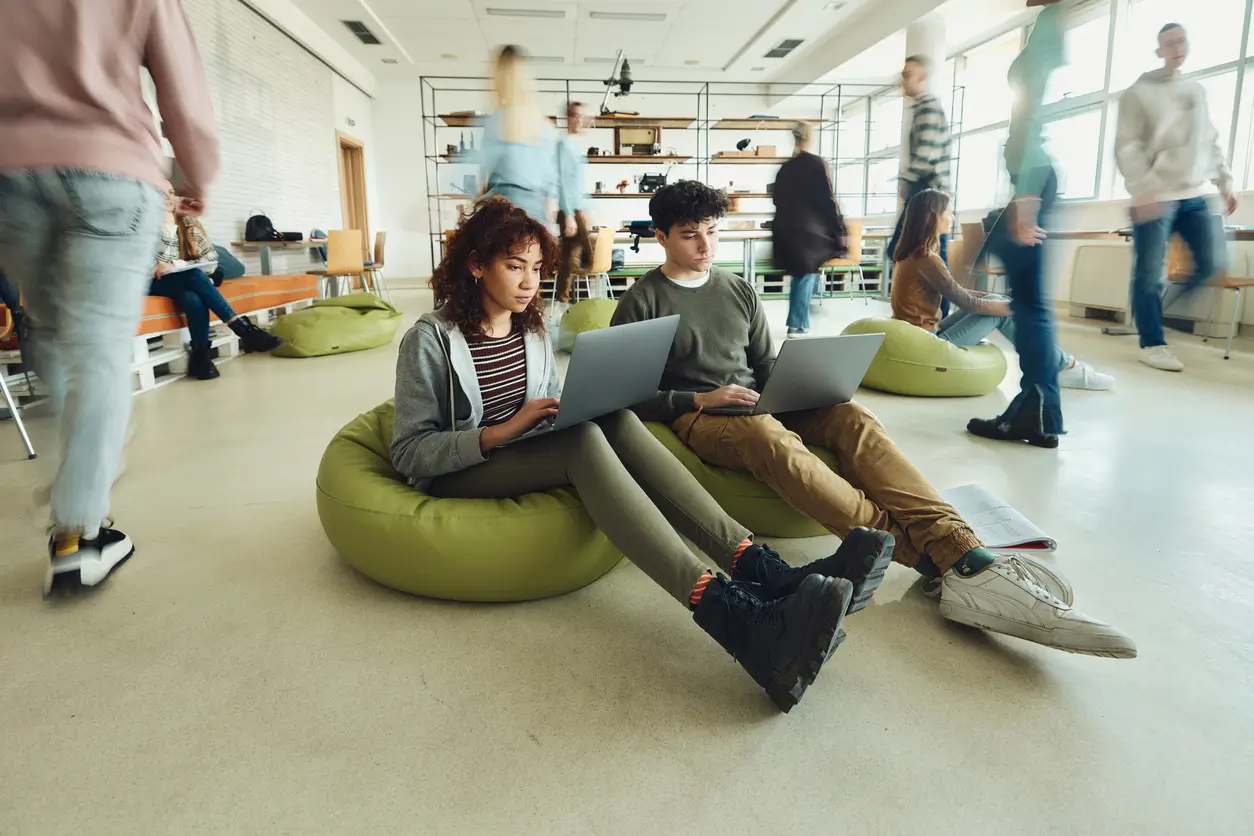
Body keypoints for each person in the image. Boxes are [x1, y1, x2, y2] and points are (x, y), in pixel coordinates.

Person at [391, 197, 901, 712]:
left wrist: (570, 404)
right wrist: (499, 433)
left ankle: (758, 566)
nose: (529, 282)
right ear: (476, 266)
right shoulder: (430, 340)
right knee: (584, 441)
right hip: (464, 467)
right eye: (514, 266)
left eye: (537, 268)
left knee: (614, 417)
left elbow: (543, 398)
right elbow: (410, 451)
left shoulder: (531, 327)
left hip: (521, 445)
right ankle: (730, 616)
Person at [609, 180, 1135, 659]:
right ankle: (927, 559)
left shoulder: (737, 289)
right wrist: (695, 401)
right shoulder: (643, 300)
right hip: (704, 416)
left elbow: (766, 367)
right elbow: (626, 393)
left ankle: (961, 549)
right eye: (689, 236)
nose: (705, 247)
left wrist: (807, 381)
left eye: (712, 233)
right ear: (661, 237)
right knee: (768, 435)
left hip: (758, 397)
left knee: (851, 416)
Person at [0, 0, 220, 593]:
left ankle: (80, 468)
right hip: (111, 170)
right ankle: (78, 533)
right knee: (95, 349)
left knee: (52, 336)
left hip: (8, 179)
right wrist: (195, 177)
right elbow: (184, 96)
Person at [966, 0, 1069, 449]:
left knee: (1030, 308)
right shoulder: (1047, 26)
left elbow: (1031, 117)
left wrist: (1025, 194)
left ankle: (1035, 412)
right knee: (1031, 306)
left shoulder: (1047, 27)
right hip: (1033, 181)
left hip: (1034, 181)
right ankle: (1037, 413)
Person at [892, 189, 1114, 390]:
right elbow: (968, 304)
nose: (952, 218)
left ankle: (1058, 363)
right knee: (1004, 314)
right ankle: (1061, 366)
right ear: (932, 216)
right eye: (948, 213)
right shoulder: (927, 258)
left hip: (920, 335)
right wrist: (1014, 307)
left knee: (995, 299)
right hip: (929, 342)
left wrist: (1001, 301)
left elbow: (956, 290)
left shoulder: (914, 253)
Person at [1115, 23, 1237, 373]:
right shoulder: (1137, 93)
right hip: (1156, 195)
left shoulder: (1196, 90)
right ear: (1159, 50)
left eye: (1181, 40)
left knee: (1211, 262)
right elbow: (1127, 144)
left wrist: (1224, 180)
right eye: (1169, 43)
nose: (1177, 47)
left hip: (1196, 193)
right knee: (1149, 273)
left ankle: (1152, 311)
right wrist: (1142, 190)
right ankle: (1152, 342)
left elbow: (1209, 140)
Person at [150, 191, 282, 380]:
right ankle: (242, 328)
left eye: (171, 192)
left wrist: (177, 265)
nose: (167, 197)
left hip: (184, 281)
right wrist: (168, 227)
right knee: (194, 276)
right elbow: (157, 269)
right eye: (160, 193)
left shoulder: (189, 223)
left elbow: (211, 259)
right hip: (151, 282)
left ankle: (201, 357)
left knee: (192, 297)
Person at [887, 54, 953, 317]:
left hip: (928, 191)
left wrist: (906, 181)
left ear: (922, 78)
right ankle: (929, 311)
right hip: (929, 190)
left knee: (906, 249)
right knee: (928, 251)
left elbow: (925, 155)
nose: (902, 80)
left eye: (907, 74)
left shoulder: (928, 108)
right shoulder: (924, 107)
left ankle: (935, 313)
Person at [772, 122, 847, 336]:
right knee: (805, 273)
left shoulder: (785, 168)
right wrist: (840, 229)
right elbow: (827, 199)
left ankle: (805, 307)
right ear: (809, 137)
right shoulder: (816, 164)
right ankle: (797, 323)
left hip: (787, 229)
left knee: (806, 272)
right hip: (808, 232)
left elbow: (777, 200)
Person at [478, 45, 565, 226]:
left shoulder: (496, 121)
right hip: (534, 209)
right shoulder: (544, 127)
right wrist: (548, 227)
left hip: (499, 211)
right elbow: (551, 184)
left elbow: (484, 174)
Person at [555, 101, 593, 303]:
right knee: (577, 258)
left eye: (582, 116)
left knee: (575, 257)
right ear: (568, 118)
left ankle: (571, 299)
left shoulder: (576, 144)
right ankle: (563, 301)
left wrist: (587, 210)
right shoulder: (563, 144)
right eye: (575, 115)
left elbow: (579, 183)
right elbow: (561, 179)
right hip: (570, 210)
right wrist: (568, 213)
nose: (580, 120)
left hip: (580, 208)